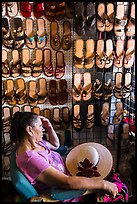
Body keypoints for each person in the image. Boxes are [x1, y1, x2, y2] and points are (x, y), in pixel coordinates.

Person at [10, 111, 128, 202]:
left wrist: (49, 127)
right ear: (29, 130)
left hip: (69, 173)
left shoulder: (34, 143)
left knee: (107, 170)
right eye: (40, 126)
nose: (42, 129)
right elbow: (67, 183)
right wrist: (103, 184)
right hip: (67, 192)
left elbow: (55, 145)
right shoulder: (31, 159)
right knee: (120, 189)